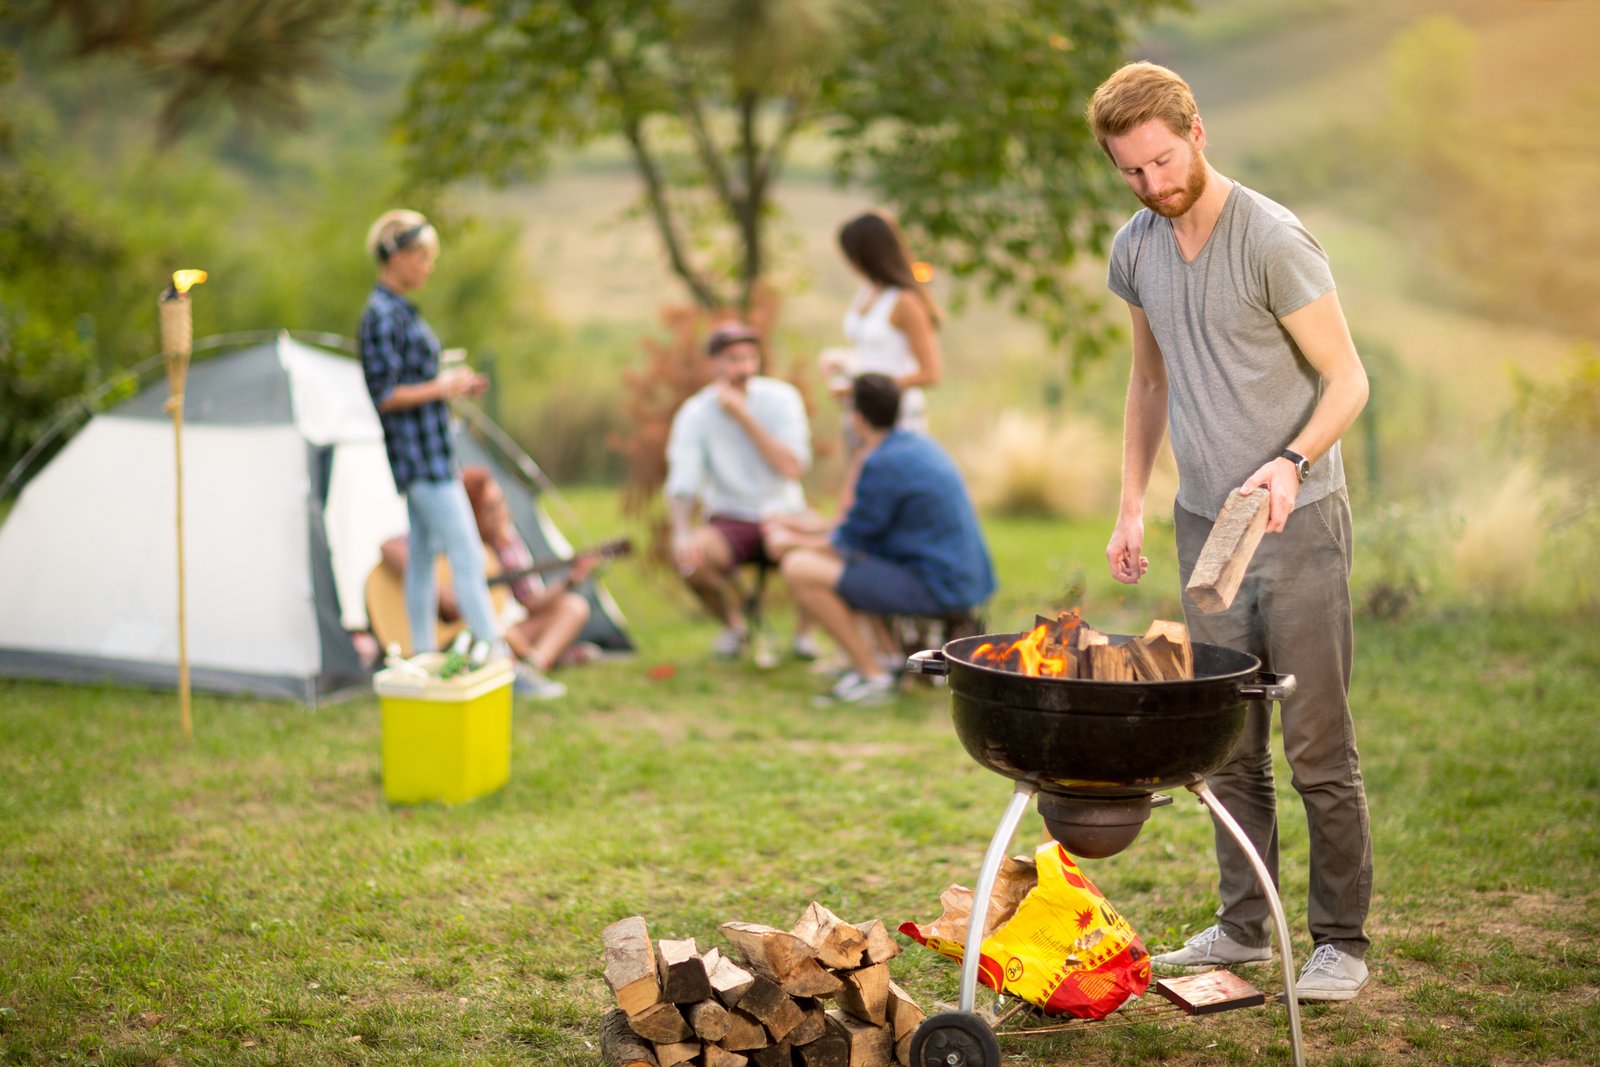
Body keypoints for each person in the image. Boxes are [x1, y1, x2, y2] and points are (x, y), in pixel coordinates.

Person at [1088, 61, 1374, 1002]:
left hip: (1297, 522)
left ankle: (1340, 941)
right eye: (1132, 171)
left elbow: (1348, 382)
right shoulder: (1135, 246)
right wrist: (1132, 499)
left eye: (1164, 161)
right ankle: (1246, 927)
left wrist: (1290, 464)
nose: (1154, 184)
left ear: (1197, 131)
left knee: (1317, 744)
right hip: (1204, 522)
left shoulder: (1272, 239)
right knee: (1227, 741)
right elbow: (1150, 382)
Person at [775, 374, 995, 706]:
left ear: (857, 418)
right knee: (832, 565)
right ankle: (886, 660)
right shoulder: (916, 445)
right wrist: (801, 530)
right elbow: (857, 530)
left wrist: (789, 543)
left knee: (799, 568)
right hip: (960, 579)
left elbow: (847, 542)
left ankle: (873, 674)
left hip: (938, 587)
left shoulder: (881, 462)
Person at [358, 209, 503, 663]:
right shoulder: (380, 315)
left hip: (433, 451)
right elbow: (385, 393)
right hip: (420, 459)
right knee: (466, 556)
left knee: (421, 559)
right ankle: (498, 658)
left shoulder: (401, 311)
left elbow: (413, 383)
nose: (428, 266)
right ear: (394, 256)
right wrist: (443, 387)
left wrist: (452, 386)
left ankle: (423, 656)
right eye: (421, 256)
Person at [664, 322, 814, 659]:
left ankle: (805, 637)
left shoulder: (782, 399)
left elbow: (793, 467)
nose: (743, 369)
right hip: (729, 516)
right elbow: (682, 481)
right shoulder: (695, 413)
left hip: (784, 510)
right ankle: (735, 628)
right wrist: (681, 532)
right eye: (733, 360)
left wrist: (743, 416)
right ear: (713, 364)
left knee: (823, 556)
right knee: (690, 559)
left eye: (750, 359)